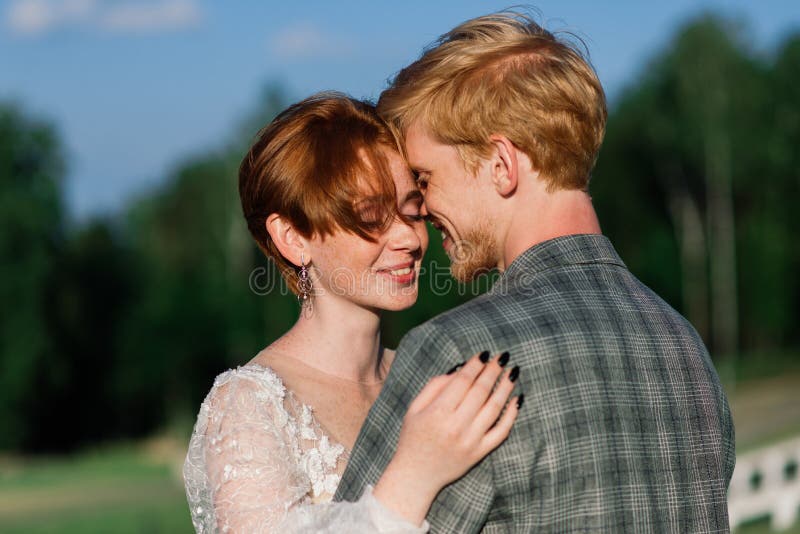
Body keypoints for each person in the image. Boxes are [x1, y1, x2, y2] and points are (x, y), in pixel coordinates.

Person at [335, 10, 736, 532]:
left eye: (426, 178)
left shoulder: (464, 353)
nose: (423, 209)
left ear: (501, 165)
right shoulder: (684, 345)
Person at [182, 93, 521, 533]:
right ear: (292, 239)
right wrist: (414, 476)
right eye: (371, 218)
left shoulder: (431, 374)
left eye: (412, 211)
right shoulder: (250, 404)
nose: (408, 238)